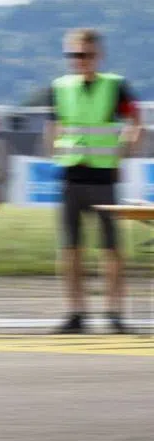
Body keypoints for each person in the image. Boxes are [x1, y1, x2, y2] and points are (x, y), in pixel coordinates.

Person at [44, 28, 144, 334]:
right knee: (70, 249)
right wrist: (55, 154)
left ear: (98, 56)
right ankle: (76, 312)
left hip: (103, 178)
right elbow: (53, 126)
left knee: (110, 249)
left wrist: (124, 150)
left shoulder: (115, 87)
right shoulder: (60, 87)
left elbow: (136, 122)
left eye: (85, 55)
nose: (79, 61)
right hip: (71, 175)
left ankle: (114, 312)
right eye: (73, 55)